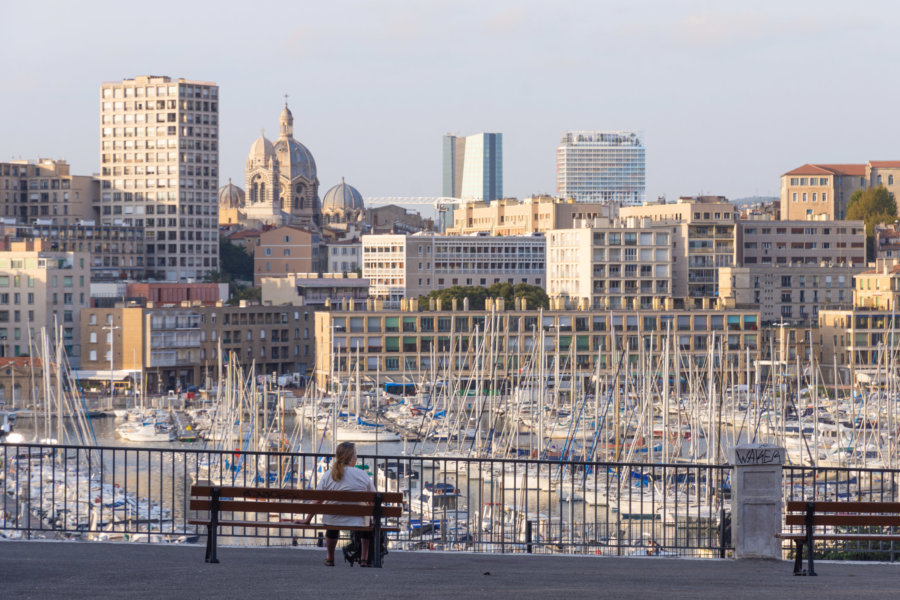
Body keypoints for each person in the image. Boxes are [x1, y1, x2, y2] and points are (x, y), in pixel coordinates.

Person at [302, 442, 375, 567]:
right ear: (352, 457)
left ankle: (330, 558)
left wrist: (307, 520)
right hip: (358, 520)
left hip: (333, 519)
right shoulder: (362, 475)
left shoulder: (328, 475)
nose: (356, 457)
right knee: (366, 522)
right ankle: (364, 559)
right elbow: (373, 499)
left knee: (332, 521)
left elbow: (317, 501)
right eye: (356, 454)